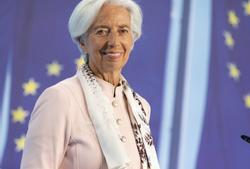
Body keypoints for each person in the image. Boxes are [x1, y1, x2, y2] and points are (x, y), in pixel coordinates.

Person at [20, 0, 160, 168]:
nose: (114, 42)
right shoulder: (60, 98)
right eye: (102, 31)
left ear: (132, 39)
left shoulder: (140, 107)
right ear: (82, 42)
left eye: (123, 31)